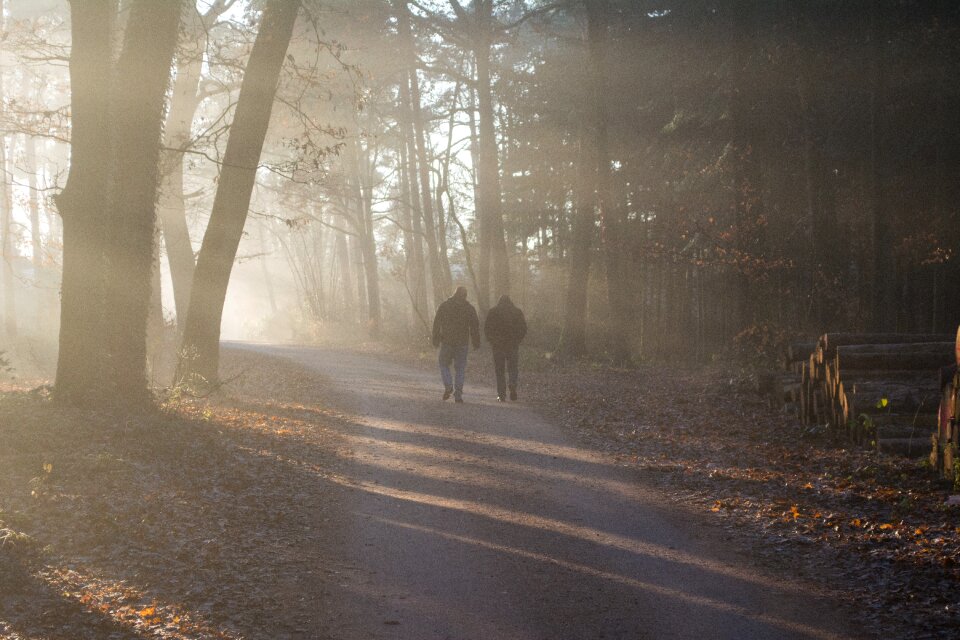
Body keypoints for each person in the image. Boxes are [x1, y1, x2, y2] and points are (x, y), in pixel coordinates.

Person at [432, 286, 480, 403]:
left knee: (443, 364)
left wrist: (436, 338)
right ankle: (458, 394)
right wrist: (476, 341)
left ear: (455, 294)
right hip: (462, 343)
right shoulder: (469, 308)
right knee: (460, 369)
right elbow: (475, 326)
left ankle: (448, 385)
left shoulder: (445, 306)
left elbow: (437, 323)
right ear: (465, 296)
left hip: (447, 341)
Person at [483, 294, 527, 402]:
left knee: (500, 370)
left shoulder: (493, 312)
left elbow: (487, 328)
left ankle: (501, 394)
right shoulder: (517, 312)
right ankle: (512, 384)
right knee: (513, 368)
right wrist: (518, 340)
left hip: (498, 346)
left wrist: (492, 340)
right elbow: (523, 328)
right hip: (512, 345)